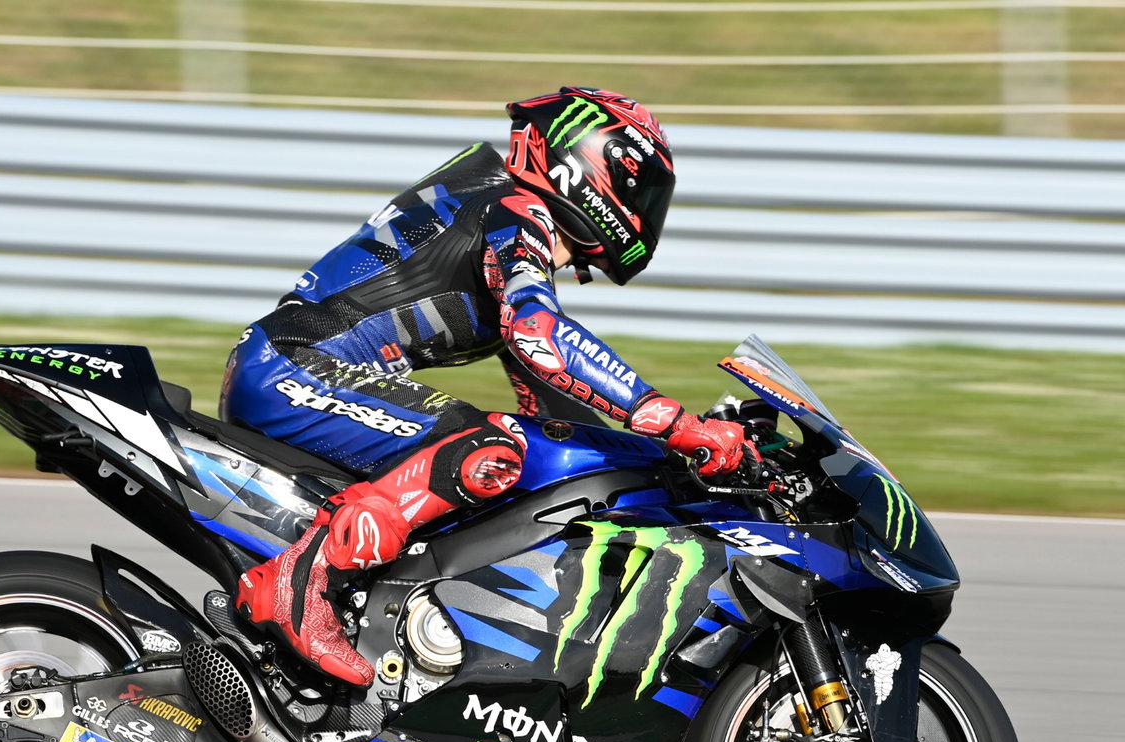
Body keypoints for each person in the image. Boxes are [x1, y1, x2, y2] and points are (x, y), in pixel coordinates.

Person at [223, 87, 751, 687]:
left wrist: (665, 471)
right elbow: (540, 337)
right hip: (292, 369)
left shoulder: (499, 219)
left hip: (294, 370)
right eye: (640, 190)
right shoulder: (515, 211)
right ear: (587, 165)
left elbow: (550, 412)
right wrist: (678, 425)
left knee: (516, 453)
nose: (645, 210)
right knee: (484, 447)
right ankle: (299, 585)